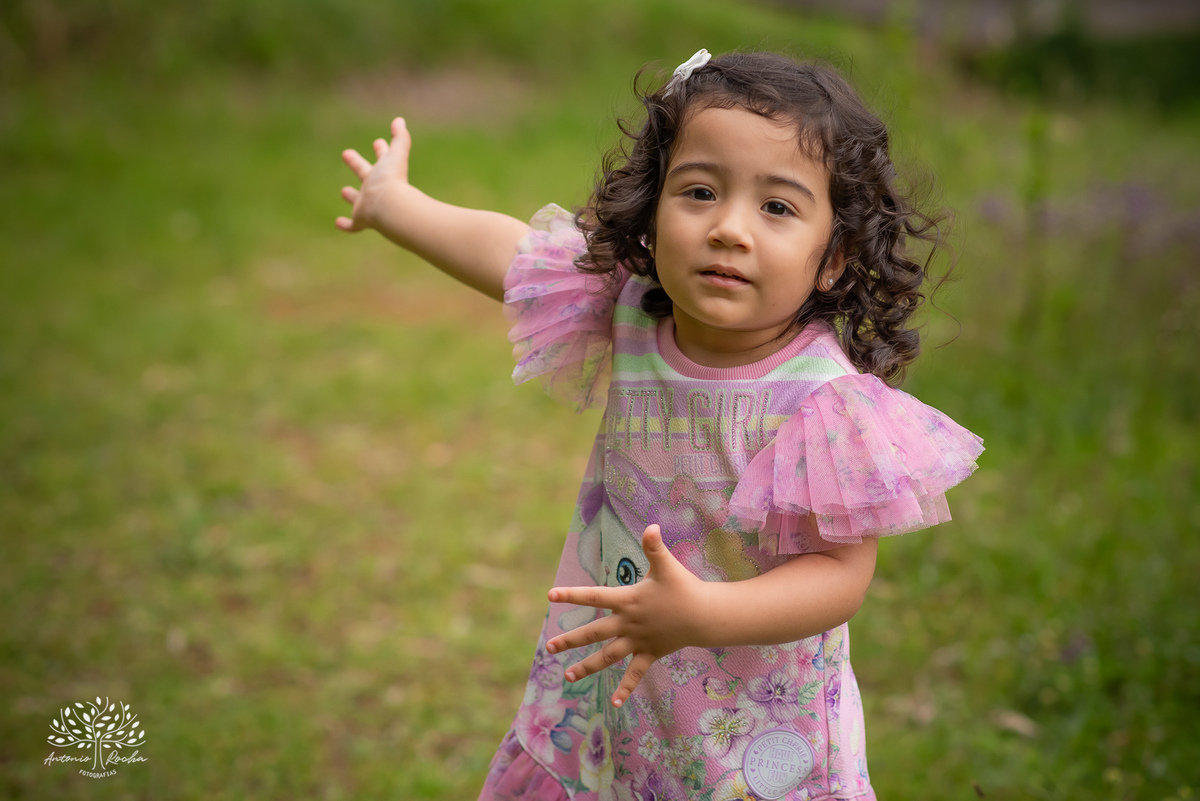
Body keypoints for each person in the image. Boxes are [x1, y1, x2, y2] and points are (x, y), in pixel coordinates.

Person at [337, 49, 983, 801]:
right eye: (701, 191)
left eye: (777, 207)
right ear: (653, 208)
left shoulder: (822, 402)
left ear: (833, 258)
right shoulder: (635, 309)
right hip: (621, 698)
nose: (729, 230)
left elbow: (840, 576)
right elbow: (509, 253)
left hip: (753, 735)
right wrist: (394, 205)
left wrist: (703, 611)